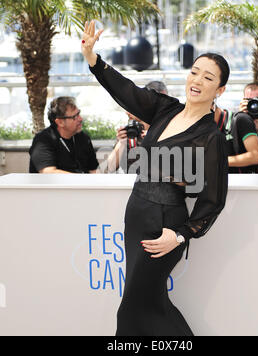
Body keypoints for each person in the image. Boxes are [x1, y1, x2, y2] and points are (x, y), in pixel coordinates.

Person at [82, 21, 229, 336]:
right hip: (135, 216)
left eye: (208, 77)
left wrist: (179, 235)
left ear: (220, 90)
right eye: (194, 71)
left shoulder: (211, 136)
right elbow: (128, 92)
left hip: (165, 225)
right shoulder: (164, 109)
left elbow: (213, 200)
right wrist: (94, 59)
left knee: (132, 310)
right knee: (151, 304)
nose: (197, 80)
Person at [104, 81, 168, 173]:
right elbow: (109, 168)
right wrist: (121, 143)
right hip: (130, 183)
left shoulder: (170, 129)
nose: (127, 112)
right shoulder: (131, 131)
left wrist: (154, 141)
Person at [29, 96, 99, 174]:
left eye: (78, 113)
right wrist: (82, 180)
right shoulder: (43, 140)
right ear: (60, 122)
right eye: (74, 117)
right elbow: (48, 172)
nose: (80, 119)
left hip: (82, 185)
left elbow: (93, 171)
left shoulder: (83, 138)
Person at [223, 83, 258, 173]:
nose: (253, 105)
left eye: (257, 101)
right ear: (243, 101)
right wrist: (242, 116)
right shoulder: (237, 119)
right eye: (249, 100)